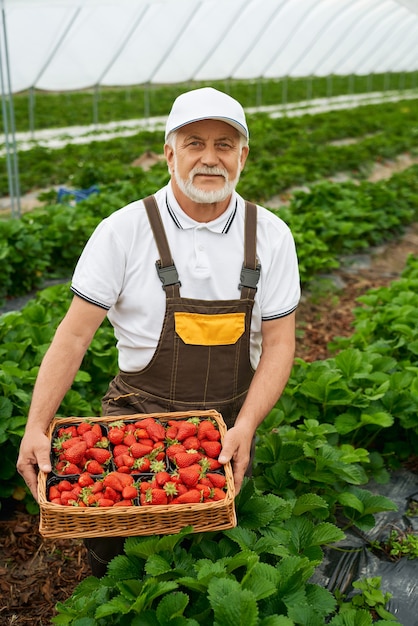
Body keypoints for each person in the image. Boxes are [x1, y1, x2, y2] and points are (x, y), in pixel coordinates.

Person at [17, 86, 300, 576]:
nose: (210, 159)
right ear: (169, 153)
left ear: (243, 156)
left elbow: (279, 343)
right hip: (135, 424)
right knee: (120, 566)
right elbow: (74, 336)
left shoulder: (271, 236)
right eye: (194, 143)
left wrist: (247, 427)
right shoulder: (123, 231)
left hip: (226, 425)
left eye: (224, 145)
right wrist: (36, 426)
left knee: (218, 561)